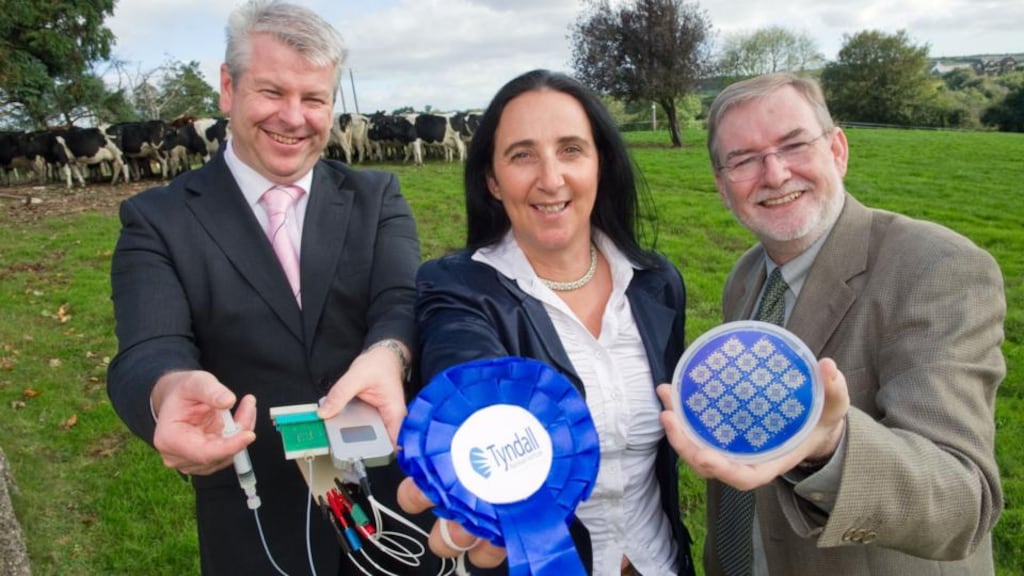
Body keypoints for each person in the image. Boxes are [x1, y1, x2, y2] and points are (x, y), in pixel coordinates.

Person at [106, 1, 436, 574]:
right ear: (228, 89)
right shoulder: (157, 219)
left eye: (314, 99)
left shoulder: (378, 196)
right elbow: (147, 350)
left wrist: (389, 352)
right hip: (256, 513)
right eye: (271, 92)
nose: (294, 117)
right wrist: (169, 391)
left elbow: (399, 299)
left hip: (394, 503)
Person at [656, 72, 1005, 575]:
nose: (774, 174)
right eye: (744, 159)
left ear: (837, 150)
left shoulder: (936, 267)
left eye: (794, 145)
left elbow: (963, 501)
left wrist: (828, 444)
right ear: (721, 185)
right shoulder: (747, 275)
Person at [397, 69, 695, 576]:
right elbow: (466, 369)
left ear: (600, 163)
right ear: (492, 179)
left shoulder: (655, 281)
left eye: (572, 150)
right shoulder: (458, 288)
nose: (551, 178)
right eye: (522, 155)